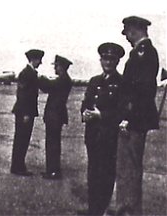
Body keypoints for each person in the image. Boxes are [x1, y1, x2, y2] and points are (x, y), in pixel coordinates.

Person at [116, 16, 159, 215]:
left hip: (135, 120)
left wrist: (127, 117)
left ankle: (129, 209)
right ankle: (125, 206)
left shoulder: (145, 53)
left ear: (135, 30)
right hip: (134, 119)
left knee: (130, 166)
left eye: (127, 32)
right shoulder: (140, 53)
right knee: (126, 165)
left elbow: (140, 91)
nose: (126, 37)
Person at [80, 42, 125, 215]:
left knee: (106, 176)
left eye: (112, 59)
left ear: (117, 62)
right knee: (92, 175)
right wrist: (84, 112)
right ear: (100, 60)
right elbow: (86, 102)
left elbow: (121, 111)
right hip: (92, 136)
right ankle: (93, 210)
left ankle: (100, 210)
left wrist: (101, 115)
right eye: (105, 58)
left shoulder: (121, 83)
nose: (108, 62)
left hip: (109, 137)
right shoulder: (94, 81)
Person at [10, 49, 44, 176]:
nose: (40, 63)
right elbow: (23, 95)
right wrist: (25, 113)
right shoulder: (27, 73)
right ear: (34, 60)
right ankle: (17, 167)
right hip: (25, 112)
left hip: (26, 111)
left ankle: (18, 165)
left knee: (22, 139)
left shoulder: (30, 73)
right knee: (21, 139)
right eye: (39, 60)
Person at [39, 55, 73, 180]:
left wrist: (38, 77)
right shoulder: (64, 79)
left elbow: (47, 86)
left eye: (57, 66)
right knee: (53, 143)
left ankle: (53, 171)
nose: (55, 68)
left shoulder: (63, 80)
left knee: (52, 144)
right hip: (56, 115)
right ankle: (52, 169)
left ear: (62, 67)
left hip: (55, 115)